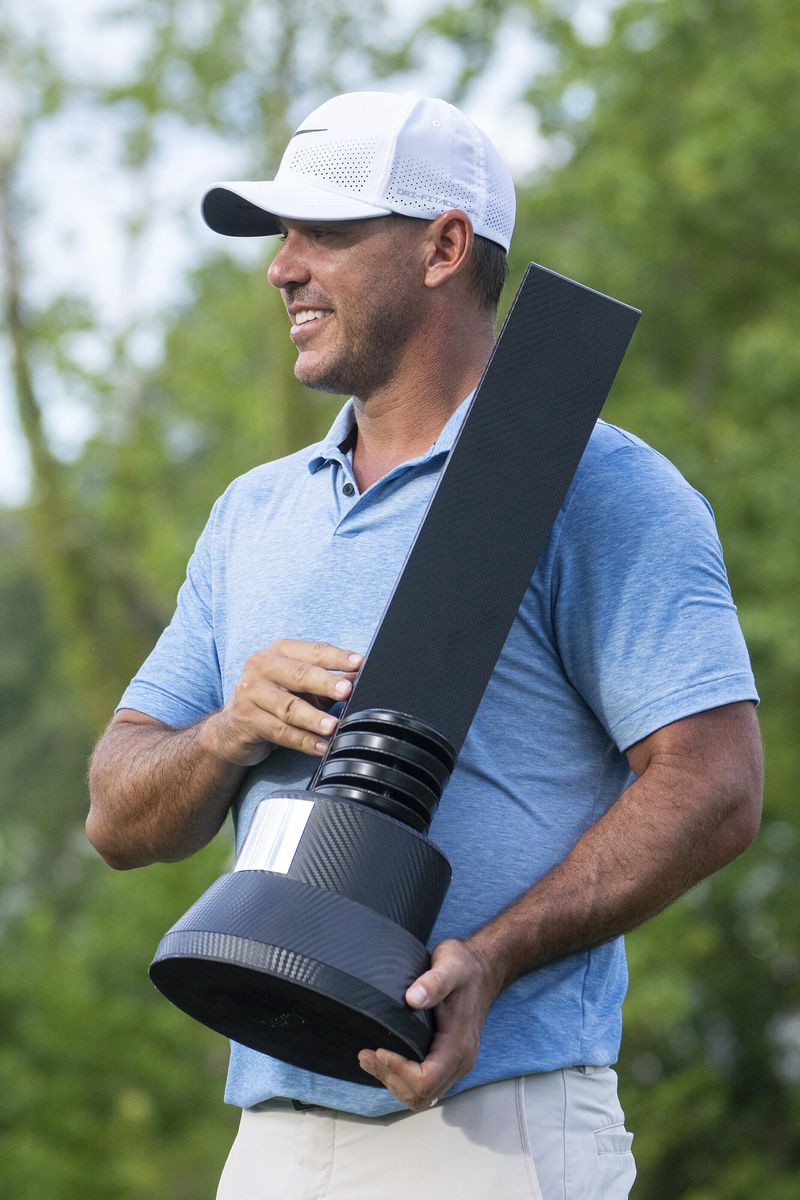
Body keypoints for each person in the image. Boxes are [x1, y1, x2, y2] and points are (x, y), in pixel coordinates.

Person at [86, 91, 762, 1200]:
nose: (280, 267)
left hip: (493, 1126)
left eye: (325, 234)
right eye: (278, 236)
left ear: (444, 245)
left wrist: (488, 958)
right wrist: (226, 734)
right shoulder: (252, 513)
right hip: (270, 1132)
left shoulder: (602, 484)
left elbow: (717, 783)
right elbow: (115, 816)